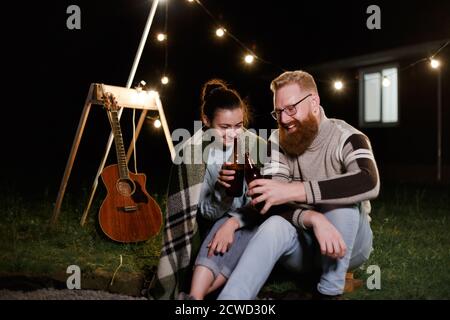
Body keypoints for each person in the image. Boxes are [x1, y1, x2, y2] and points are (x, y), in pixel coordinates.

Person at [217, 70, 380, 300]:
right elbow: (272, 203)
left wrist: (295, 190)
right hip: (303, 246)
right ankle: (231, 301)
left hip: (349, 246)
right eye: (278, 112)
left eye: (291, 109)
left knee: (340, 203)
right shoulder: (277, 140)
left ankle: (329, 293)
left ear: (314, 102)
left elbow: (368, 181)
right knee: (274, 223)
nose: (284, 119)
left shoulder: (347, 136)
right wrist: (314, 218)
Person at [148, 79, 266, 300]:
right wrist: (222, 192)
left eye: (238, 125)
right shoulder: (190, 153)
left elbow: (268, 202)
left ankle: (196, 296)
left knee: (243, 236)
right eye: (224, 127)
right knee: (218, 239)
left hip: (252, 219)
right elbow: (197, 216)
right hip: (211, 225)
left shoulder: (256, 145)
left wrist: (235, 221)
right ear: (206, 120)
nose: (232, 135)